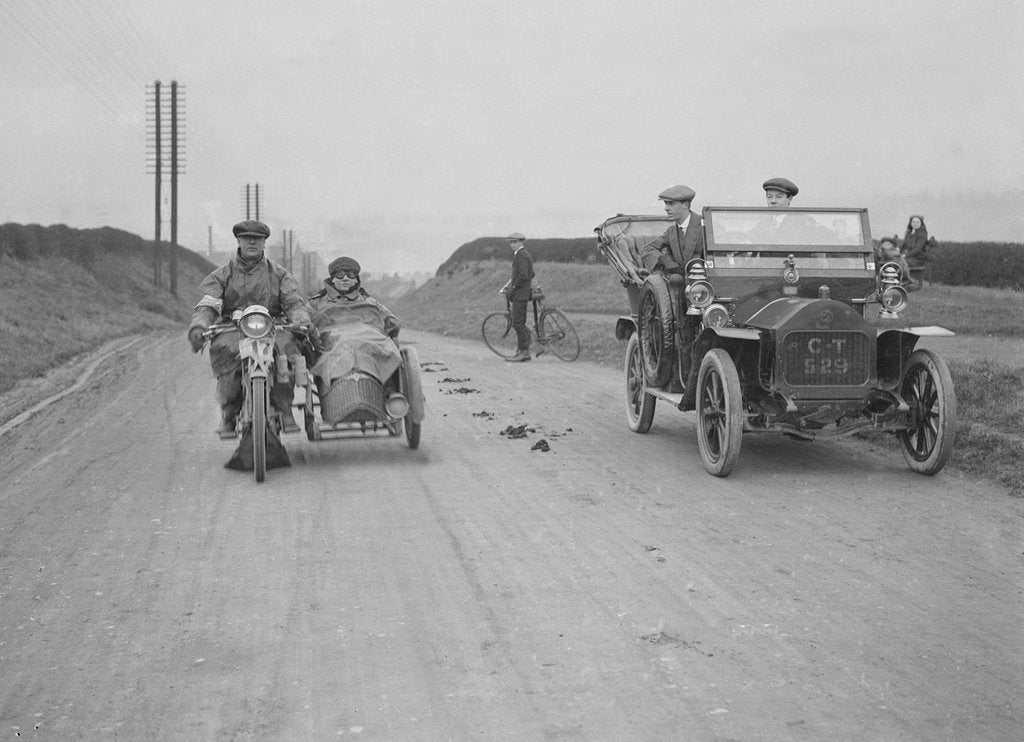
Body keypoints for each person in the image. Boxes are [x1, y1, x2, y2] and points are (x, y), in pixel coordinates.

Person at [187, 220, 311, 435]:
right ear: (239, 241)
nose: (252, 242)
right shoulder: (223, 274)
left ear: (264, 243)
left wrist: (300, 319)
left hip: (273, 325)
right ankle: (229, 413)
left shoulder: (279, 274)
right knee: (227, 357)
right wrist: (199, 325)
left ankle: (284, 409)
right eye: (247, 238)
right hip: (233, 327)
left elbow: (293, 302)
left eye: (258, 239)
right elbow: (209, 304)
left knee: (287, 353)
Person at [306, 256, 404, 403]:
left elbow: (392, 322)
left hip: (369, 340)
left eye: (351, 275)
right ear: (332, 279)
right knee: (343, 343)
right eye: (340, 274)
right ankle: (335, 394)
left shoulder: (369, 301)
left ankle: (389, 391)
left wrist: (388, 334)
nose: (345, 278)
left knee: (387, 346)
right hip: (333, 341)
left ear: (356, 279)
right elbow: (303, 321)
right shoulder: (316, 303)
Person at [638, 185, 704, 276]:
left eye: (671, 204)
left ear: (685, 205)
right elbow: (647, 249)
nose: (666, 208)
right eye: (666, 203)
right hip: (679, 284)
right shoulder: (671, 232)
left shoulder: (706, 226)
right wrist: (666, 260)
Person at [499, 232, 534, 362]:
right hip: (522, 293)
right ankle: (523, 349)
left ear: (521, 242)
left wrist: (513, 288)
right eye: (510, 242)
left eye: (514, 242)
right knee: (519, 322)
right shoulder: (522, 254)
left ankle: (524, 352)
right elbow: (531, 273)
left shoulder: (521, 255)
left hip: (520, 295)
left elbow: (524, 275)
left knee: (518, 323)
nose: (512, 245)